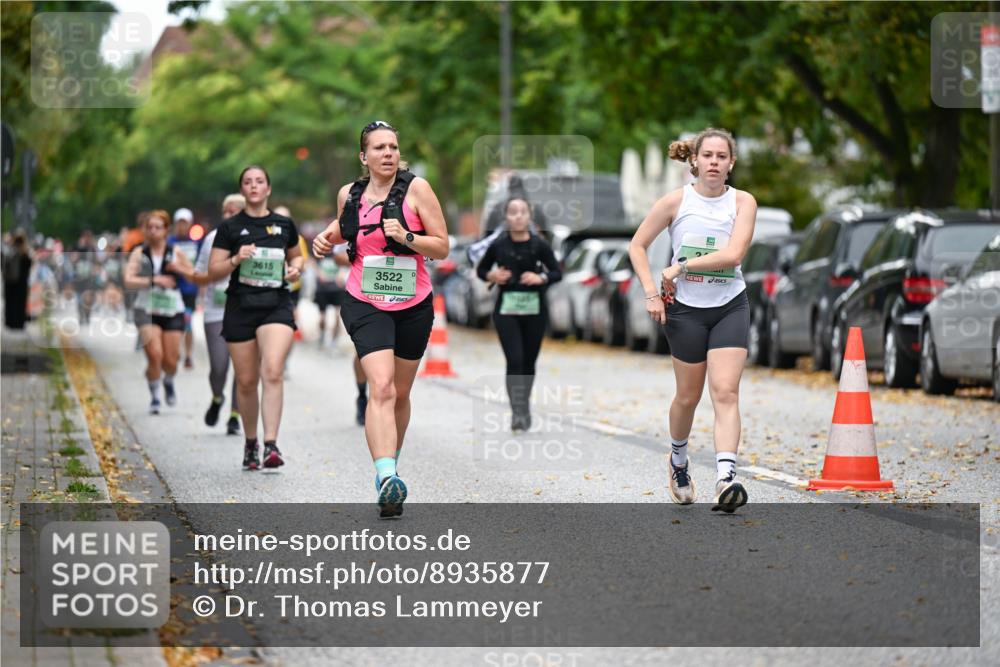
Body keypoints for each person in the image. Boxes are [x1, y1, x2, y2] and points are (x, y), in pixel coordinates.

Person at [313, 120, 449, 518]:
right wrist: (324, 238)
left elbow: (441, 246)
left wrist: (407, 236)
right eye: (379, 148)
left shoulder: (417, 189)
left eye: (393, 147)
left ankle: (392, 469)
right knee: (383, 386)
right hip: (364, 301)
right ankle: (385, 475)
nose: (388, 153)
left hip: (413, 302)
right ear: (364, 156)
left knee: (401, 394)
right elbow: (345, 228)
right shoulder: (349, 194)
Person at [628, 127, 757, 514]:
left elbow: (734, 255)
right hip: (685, 311)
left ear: (731, 164)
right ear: (694, 162)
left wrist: (679, 267)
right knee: (688, 396)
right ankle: (679, 461)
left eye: (722, 157)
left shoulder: (743, 202)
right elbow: (636, 245)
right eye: (708, 156)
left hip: (729, 305)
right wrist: (652, 291)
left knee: (726, 391)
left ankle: (725, 478)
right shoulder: (674, 202)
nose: (714, 162)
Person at [205, 166, 304, 471]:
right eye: (248, 182)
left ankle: (271, 445)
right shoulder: (230, 228)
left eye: (259, 181)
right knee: (246, 382)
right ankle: (251, 443)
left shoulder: (284, 224)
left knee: (272, 370)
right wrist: (236, 259)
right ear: (242, 190)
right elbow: (214, 270)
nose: (254, 186)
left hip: (276, 304)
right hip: (241, 307)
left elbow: (296, 256)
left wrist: (296, 268)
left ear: (268, 189)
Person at [476, 197, 561, 431]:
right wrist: (493, 276)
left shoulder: (539, 245)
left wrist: (540, 277)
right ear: (506, 217)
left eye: (523, 211)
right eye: (513, 212)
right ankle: (517, 412)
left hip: (535, 309)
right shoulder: (499, 245)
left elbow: (557, 272)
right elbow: (481, 269)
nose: (518, 216)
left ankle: (524, 406)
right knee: (514, 360)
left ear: (529, 215)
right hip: (506, 310)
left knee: (529, 362)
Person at [179, 194, 245, 436]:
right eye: (225, 211)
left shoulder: (255, 240)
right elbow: (198, 275)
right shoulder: (211, 240)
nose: (228, 216)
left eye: (234, 211)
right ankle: (218, 397)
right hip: (216, 309)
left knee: (243, 368)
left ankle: (235, 415)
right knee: (219, 366)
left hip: (246, 311)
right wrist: (219, 272)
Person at [123, 210, 193, 414]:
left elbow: (194, 277)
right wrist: (154, 280)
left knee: (170, 360)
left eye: (158, 227)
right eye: (149, 227)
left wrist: (180, 269)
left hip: (172, 310)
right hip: (146, 309)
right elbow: (128, 280)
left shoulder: (176, 251)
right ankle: (154, 396)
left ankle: (168, 380)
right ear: (144, 230)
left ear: (166, 230)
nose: (153, 231)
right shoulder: (139, 253)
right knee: (154, 355)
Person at [170, 208, 200, 369]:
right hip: (173, 290)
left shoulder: (196, 243)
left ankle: (188, 355)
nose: (182, 226)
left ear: (190, 224)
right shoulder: (169, 242)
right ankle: (175, 351)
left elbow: (201, 267)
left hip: (189, 289)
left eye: (185, 223)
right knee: (175, 323)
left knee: (187, 322)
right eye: (179, 222)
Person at [2, 231, 33, 330]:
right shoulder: (26, 252)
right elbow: (30, 265)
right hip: (22, 282)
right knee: (20, 303)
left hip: (10, 281)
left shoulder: (10, 251)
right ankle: (19, 323)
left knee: (10, 302)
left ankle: (10, 322)